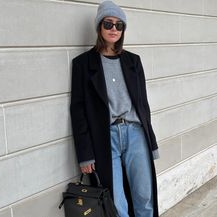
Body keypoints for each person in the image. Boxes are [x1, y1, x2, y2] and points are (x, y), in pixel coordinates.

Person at [70, 1, 159, 216]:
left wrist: (152, 143)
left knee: (144, 196)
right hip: (105, 138)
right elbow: (78, 109)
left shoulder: (133, 61)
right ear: (99, 26)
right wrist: (85, 155)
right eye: (108, 24)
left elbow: (143, 105)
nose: (114, 29)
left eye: (119, 26)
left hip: (136, 134)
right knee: (116, 202)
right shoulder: (83, 64)